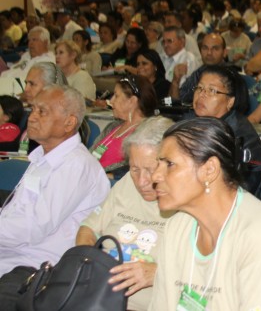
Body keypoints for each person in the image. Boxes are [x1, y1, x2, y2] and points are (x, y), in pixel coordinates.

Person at [148, 117, 261, 309]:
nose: (155, 176)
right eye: (158, 163)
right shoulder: (177, 227)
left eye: (169, 164)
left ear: (210, 170)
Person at [0, 86, 109, 307]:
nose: (32, 117)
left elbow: (32, 227)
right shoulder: (43, 156)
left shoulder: (75, 165)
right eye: (33, 110)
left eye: (42, 111)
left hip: (37, 269)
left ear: (69, 123)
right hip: (11, 255)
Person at [76, 116, 175, 311]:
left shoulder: (188, 199)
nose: (141, 181)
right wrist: (91, 261)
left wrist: (157, 273)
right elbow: (87, 229)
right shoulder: (127, 184)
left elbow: (203, 272)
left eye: (150, 169)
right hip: (97, 297)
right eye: (135, 169)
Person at [192, 65, 261, 202]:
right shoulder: (191, 125)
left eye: (211, 90)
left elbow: (239, 191)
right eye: (199, 88)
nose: (202, 94)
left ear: (230, 101)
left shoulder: (242, 138)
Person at [89, 75, 157, 178]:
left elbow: (137, 169)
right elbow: (89, 156)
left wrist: (110, 176)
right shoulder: (112, 127)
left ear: (132, 101)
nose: (111, 101)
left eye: (116, 96)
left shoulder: (145, 135)